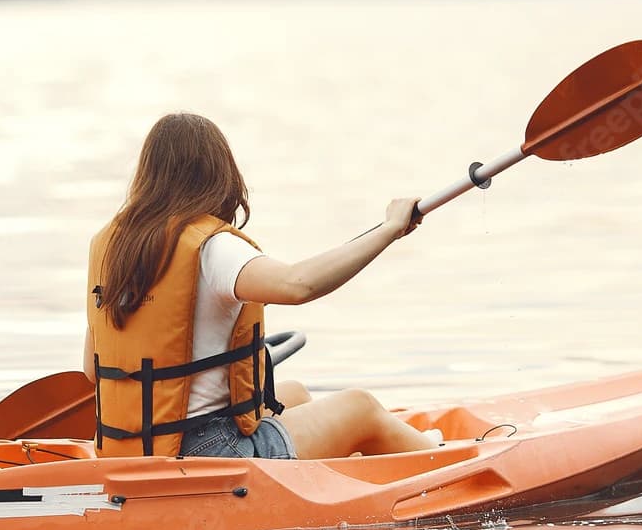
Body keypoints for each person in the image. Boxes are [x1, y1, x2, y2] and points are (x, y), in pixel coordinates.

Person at [83, 112, 441, 461]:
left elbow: (90, 370)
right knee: (359, 407)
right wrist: (390, 229)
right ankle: (445, 458)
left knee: (295, 394)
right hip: (208, 452)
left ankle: (339, 477)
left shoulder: (112, 249)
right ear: (218, 175)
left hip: (131, 448)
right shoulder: (211, 247)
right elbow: (299, 285)